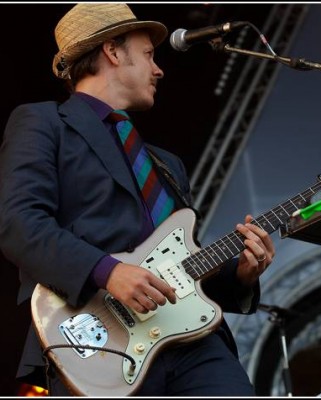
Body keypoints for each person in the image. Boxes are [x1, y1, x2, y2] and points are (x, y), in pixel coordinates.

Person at [0, 3, 275, 396]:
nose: (159, 69)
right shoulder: (43, 123)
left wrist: (242, 276)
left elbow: (182, 267)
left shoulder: (167, 163)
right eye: (148, 54)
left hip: (193, 343)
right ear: (113, 51)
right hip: (99, 342)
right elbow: (19, 224)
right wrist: (108, 271)